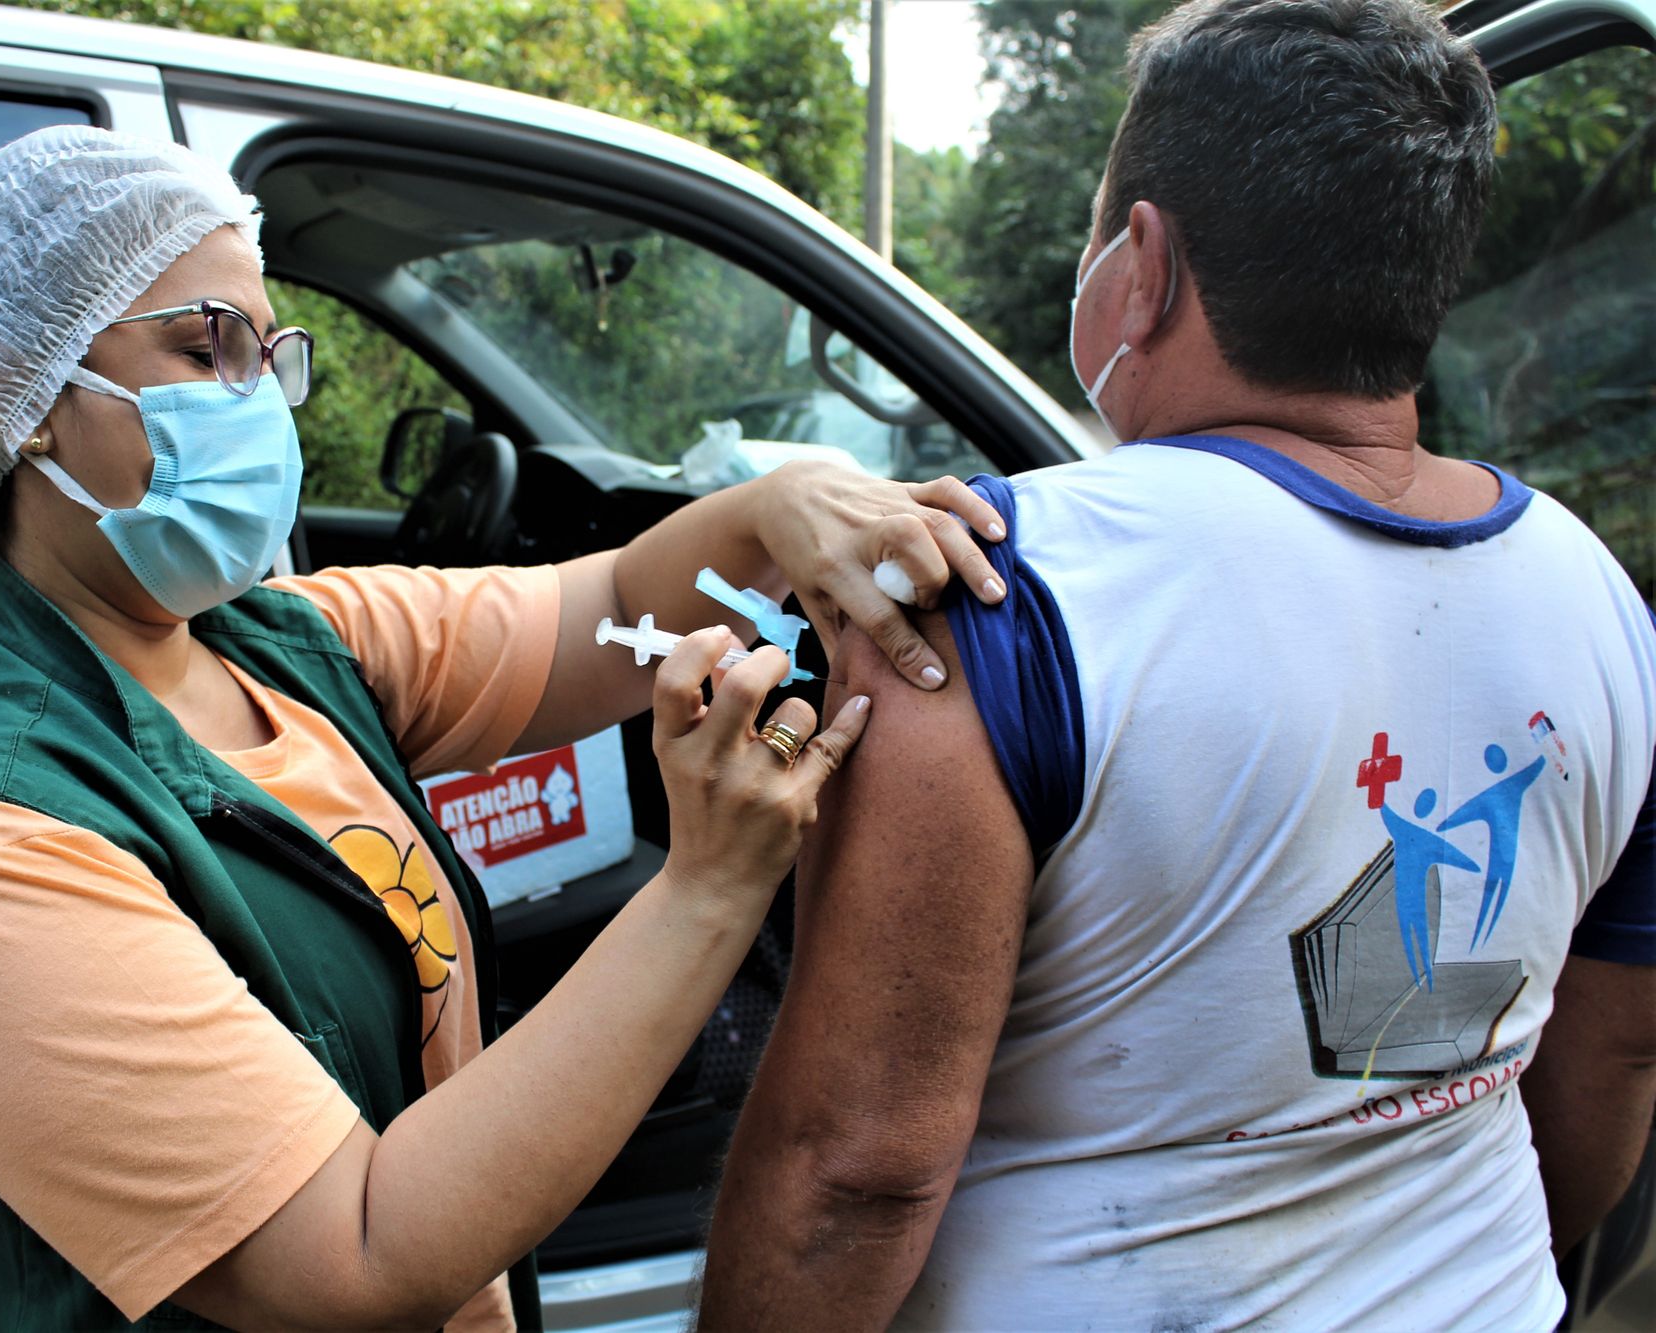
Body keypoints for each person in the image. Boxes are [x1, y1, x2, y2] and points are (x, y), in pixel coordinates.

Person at [0, 124, 1012, 1332]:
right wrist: (705, 890)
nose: (256, 404)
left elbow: (604, 610)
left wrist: (774, 506)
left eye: (266, 355)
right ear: (11, 398)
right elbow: (357, 1255)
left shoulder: (285, 641)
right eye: (202, 347)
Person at [699, 2, 1656, 1328]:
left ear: (1139, 262)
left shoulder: (989, 589)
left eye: (1103, 226)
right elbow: (1610, 1053)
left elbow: (856, 1173)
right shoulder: (1601, 601)